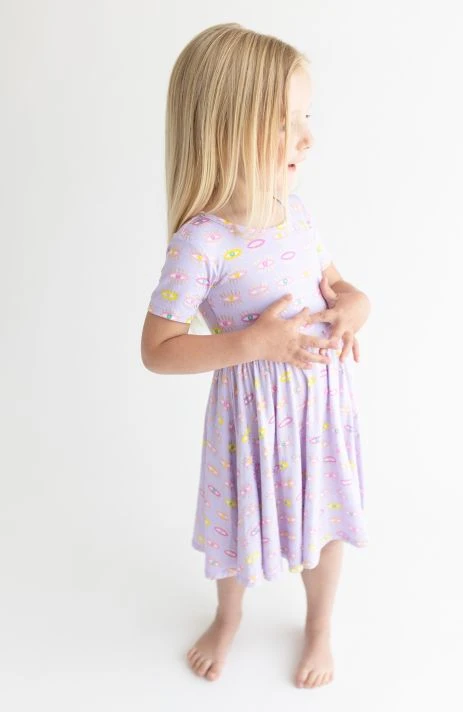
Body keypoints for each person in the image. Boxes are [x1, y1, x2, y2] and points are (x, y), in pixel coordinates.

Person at [141, 22, 371, 689]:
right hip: (252, 421)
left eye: (306, 117)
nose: (307, 137)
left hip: (320, 407)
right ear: (227, 131)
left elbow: (338, 286)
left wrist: (357, 306)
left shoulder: (295, 213)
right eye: (285, 123)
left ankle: (319, 625)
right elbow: (157, 350)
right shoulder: (203, 243)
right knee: (236, 520)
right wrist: (253, 344)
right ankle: (229, 616)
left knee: (327, 517)